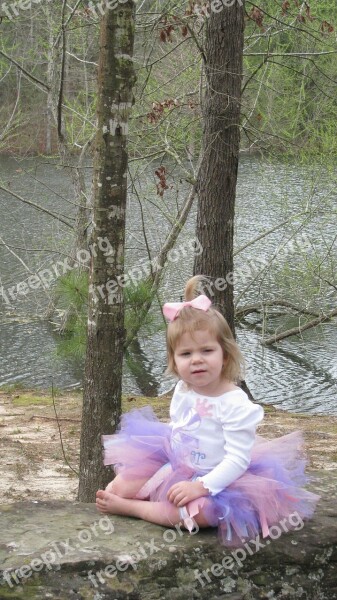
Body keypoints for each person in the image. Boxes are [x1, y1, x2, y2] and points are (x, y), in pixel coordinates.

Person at [96, 275, 319, 546]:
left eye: (207, 350)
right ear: (174, 361)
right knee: (118, 486)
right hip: (177, 463)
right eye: (186, 354)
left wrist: (199, 487)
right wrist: (167, 472)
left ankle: (134, 509)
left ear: (225, 354)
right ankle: (137, 498)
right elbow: (179, 428)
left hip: (220, 479)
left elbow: (237, 461)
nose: (197, 360)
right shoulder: (183, 389)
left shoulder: (235, 404)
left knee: (199, 514)